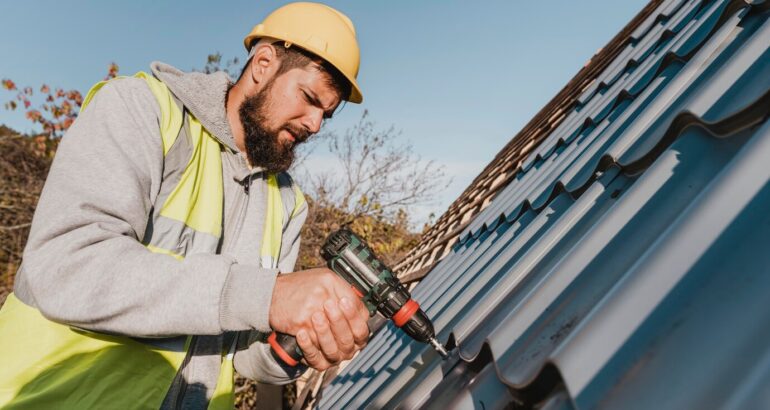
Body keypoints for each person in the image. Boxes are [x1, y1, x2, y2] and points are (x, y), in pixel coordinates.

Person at [0, 2, 370, 408]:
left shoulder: (287, 201)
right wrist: (266, 296)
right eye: (308, 97)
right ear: (264, 63)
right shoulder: (142, 111)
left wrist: (300, 343)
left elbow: (245, 353)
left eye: (326, 115)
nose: (314, 124)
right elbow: (64, 267)